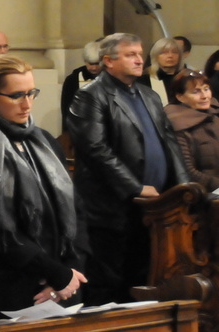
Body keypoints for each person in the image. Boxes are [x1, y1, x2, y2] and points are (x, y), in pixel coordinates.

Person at [0, 55, 88, 322]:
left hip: (61, 286)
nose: (27, 104)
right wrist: (55, 274)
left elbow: (76, 208)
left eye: (31, 93)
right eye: (16, 96)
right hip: (4, 289)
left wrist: (71, 270)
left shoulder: (45, 141)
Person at [68, 32, 188, 304]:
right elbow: (96, 150)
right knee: (109, 284)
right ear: (109, 61)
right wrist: (135, 187)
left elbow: (170, 142)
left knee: (145, 279)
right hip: (111, 209)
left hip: (154, 207)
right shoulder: (90, 96)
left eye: (140, 54)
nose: (139, 60)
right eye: (130, 54)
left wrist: (182, 188)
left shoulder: (149, 95)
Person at [165, 70, 219, 191]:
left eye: (206, 89)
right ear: (180, 97)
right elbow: (188, 171)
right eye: (196, 92)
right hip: (202, 193)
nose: (204, 96)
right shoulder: (178, 125)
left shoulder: (214, 117)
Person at [60, 40, 103, 134]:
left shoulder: (109, 78)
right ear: (85, 61)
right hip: (79, 130)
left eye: (97, 63)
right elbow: (66, 110)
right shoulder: (73, 80)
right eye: (91, 64)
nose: (94, 68)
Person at [144, 36, 185, 106]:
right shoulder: (144, 79)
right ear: (155, 56)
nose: (170, 56)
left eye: (175, 52)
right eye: (164, 53)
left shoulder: (186, 78)